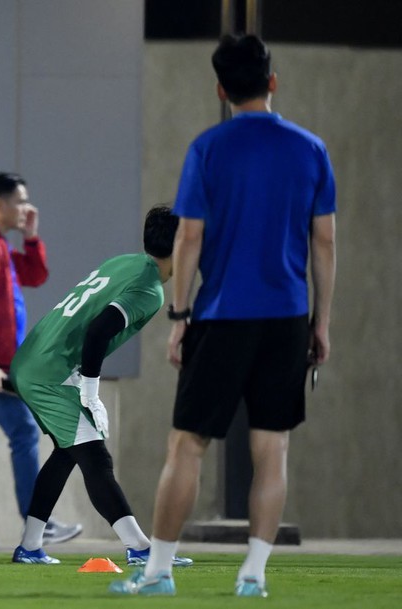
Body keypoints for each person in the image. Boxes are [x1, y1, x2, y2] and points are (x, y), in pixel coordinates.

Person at [112, 34, 336, 597]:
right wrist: (321, 323)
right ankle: (253, 576)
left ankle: (159, 572)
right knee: (272, 447)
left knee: (187, 444)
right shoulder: (310, 150)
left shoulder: (208, 149)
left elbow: (188, 236)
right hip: (287, 316)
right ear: (273, 81)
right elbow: (325, 242)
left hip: (223, 314)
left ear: (220, 89)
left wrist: (180, 315)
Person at [8, 206, 192, 569]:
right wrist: (90, 394)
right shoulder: (150, 289)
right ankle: (139, 546)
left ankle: (30, 546)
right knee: (95, 457)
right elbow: (97, 332)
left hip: (36, 360)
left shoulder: (125, 262)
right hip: (49, 371)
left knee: (66, 453)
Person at [0, 172, 82, 549]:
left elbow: (35, 275)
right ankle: (37, 522)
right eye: (21, 201)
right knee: (23, 432)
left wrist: (32, 237)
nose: (26, 208)